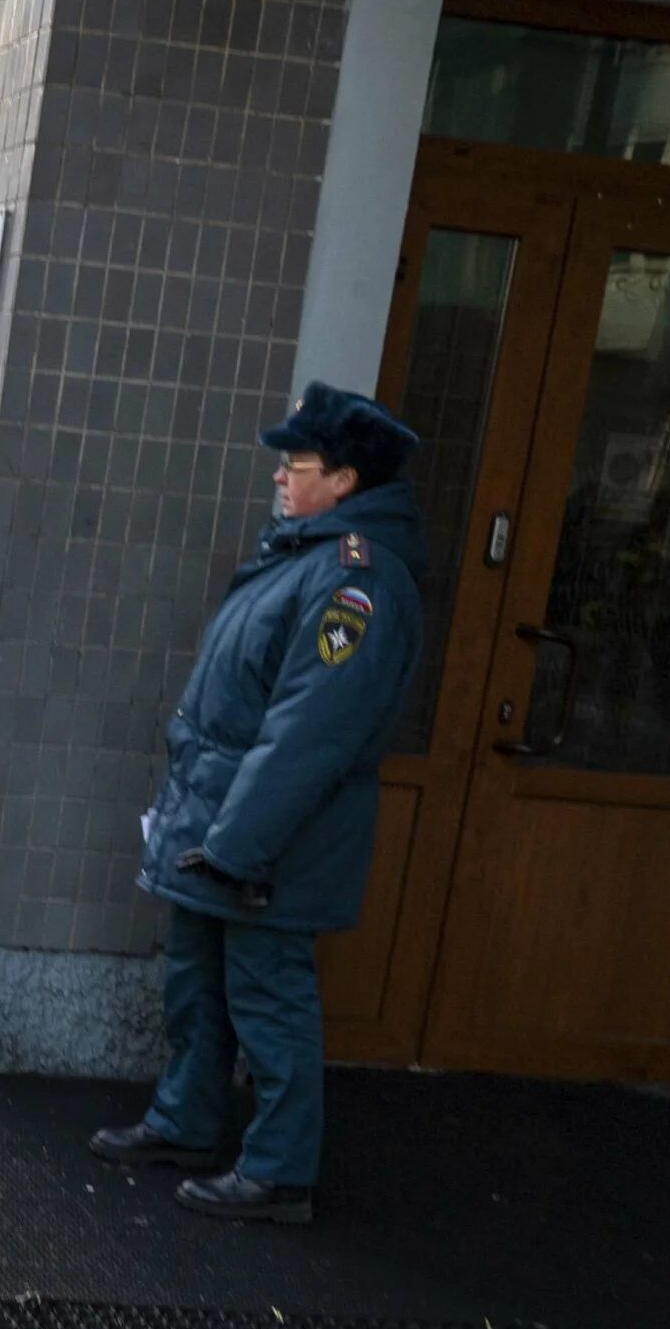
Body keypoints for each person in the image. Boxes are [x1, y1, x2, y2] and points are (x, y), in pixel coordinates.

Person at [90, 382, 426, 1223]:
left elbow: (309, 735)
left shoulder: (357, 584)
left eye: (296, 464)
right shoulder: (303, 556)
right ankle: (188, 1123)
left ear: (344, 480)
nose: (280, 476)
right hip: (220, 825)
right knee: (196, 985)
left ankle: (278, 1173)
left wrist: (237, 844)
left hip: (269, 842)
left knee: (269, 1002)